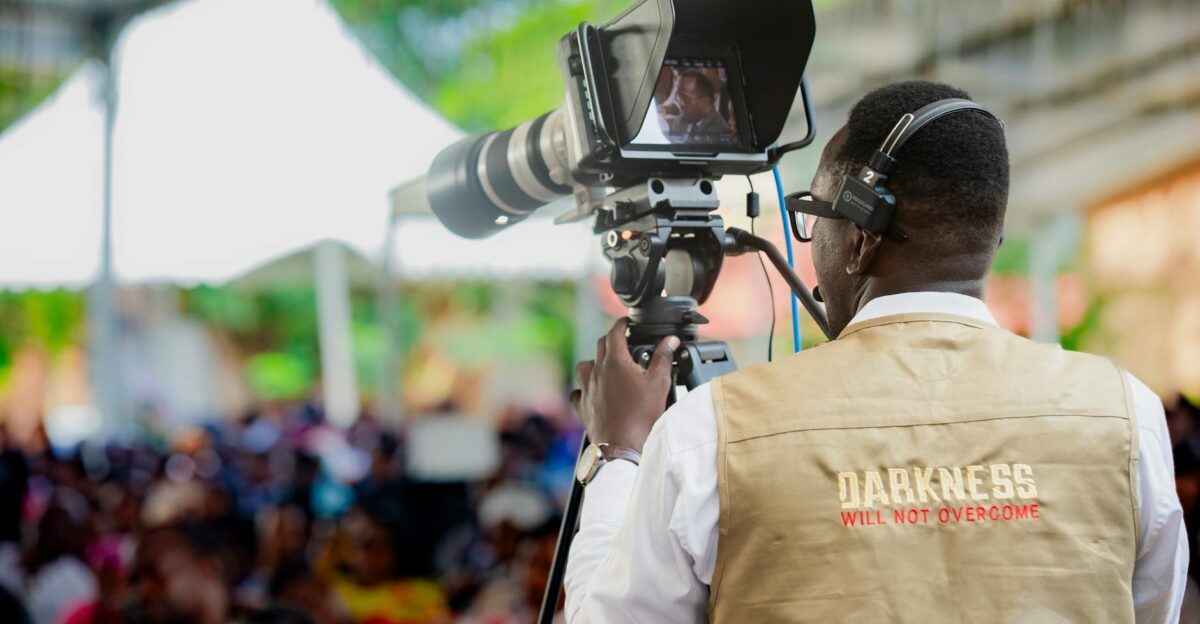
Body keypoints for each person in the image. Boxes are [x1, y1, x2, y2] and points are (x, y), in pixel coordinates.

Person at [564, 81, 1188, 622]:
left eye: (814, 216)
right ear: (993, 233)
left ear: (861, 233)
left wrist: (619, 451)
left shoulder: (709, 436)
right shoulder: (1125, 415)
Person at [667, 71, 730, 142]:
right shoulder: (680, 121)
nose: (680, 102)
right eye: (678, 96)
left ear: (704, 101)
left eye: (685, 98)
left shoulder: (720, 131)